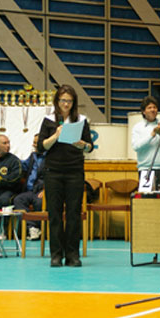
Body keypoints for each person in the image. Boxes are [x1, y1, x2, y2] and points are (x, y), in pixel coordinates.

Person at [38, 84, 93, 267]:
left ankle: (72, 254)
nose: (66, 104)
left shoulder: (81, 120)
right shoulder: (49, 120)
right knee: (54, 214)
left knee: (73, 214)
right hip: (53, 172)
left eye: (69, 101)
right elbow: (41, 147)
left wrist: (83, 145)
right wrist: (55, 136)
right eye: (63, 100)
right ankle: (56, 254)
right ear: (57, 101)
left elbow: (90, 147)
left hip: (74, 171)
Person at [131, 96, 160, 190]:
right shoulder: (137, 127)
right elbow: (136, 146)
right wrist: (151, 135)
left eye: (154, 107)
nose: (153, 110)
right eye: (149, 108)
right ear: (143, 111)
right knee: (147, 198)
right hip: (146, 169)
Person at [13, 134, 45, 240]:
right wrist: (11, 160)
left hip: (42, 190)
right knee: (18, 200)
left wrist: (47, 190)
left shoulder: (51, 157)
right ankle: (31, 227)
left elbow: (55, 176)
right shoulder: (33, 156)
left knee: (39, 202)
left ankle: (37, 228)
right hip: (30, 190)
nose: (33, 145)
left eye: (35, 142)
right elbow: (23, 166)